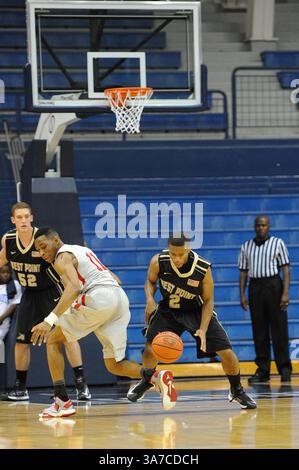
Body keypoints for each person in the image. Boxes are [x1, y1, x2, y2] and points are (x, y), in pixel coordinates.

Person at [31, 226, 176, 418]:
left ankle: (61, 402)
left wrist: (49, 320)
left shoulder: (61, 257)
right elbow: (115, 279)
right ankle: (157, 376)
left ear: (56, 239)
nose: (42, 253)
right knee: (114, 365)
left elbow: (74, 287)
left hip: (99, 298)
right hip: (119, 300)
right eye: (38, 250)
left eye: (43, 247)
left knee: (52, 339)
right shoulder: (83, 250)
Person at [127, 234, 256, 410]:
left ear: (188, 249)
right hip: (169, 311)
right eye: (173, 254)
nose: (177, 259)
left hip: (196, 311)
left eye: (180, 254)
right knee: (149, 350)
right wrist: (150, 299)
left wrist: (203, 329)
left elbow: (209, 301)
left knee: (226, 353)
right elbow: (150, 282)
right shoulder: (159, 261)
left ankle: (237, 390)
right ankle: (147, 380)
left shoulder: (202, 268)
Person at [0, 202, 90, 401]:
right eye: (19, 217)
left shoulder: (41, 239)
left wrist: (73, 290)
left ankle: (81, 384)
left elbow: (63, 260)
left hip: (52, 292)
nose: (23, 221)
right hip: (29, 294)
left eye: (26, 216)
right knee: (21, 341)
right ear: (13, 220)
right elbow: (2, 260)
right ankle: (20, 388)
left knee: (68, 337)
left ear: (32, 218)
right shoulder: (9, 240)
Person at [239, 215, 292, 383]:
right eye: (258, 225)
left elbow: (286, 270)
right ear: (254, 227)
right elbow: (243, 272)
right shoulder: (246, 246)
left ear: (268, 227)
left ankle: (284, 368)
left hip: (274, 286)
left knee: (279, 330)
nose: (260, 228)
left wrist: (285, 293)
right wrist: (242, 294)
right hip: (255, 288)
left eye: (263, 225)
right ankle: (263, 371)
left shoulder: (278, 243)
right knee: (259, 331)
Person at [0, 265, 22, 364]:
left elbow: (14, 304)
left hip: (3, 323)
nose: (5, 275)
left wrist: (2, 317)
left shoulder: (14, 285)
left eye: (7, 272)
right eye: (2, 272)